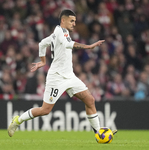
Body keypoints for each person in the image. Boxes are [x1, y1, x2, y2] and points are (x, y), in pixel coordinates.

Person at [8, 9, 117, 137]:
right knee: (45, 110)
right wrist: (88, 46)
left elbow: (42, 43)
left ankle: (98, 132)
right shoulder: (61, 32)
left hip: (69, 76)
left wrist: (43, 61)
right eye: (72, 21)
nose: (74, 24)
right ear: (63, 20)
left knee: (90, 100)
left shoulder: (56, 33)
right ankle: (17, 120)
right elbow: (67, 44)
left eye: (75, 21)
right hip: (57, 77)